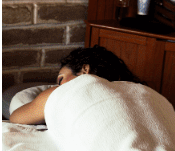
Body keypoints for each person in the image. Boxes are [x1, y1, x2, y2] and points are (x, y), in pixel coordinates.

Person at [9, 45, 141, 125]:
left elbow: (16, 117)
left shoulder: (68, 92)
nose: (59, 86)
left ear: (84, 70)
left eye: (61, 80)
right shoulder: (137, 91)